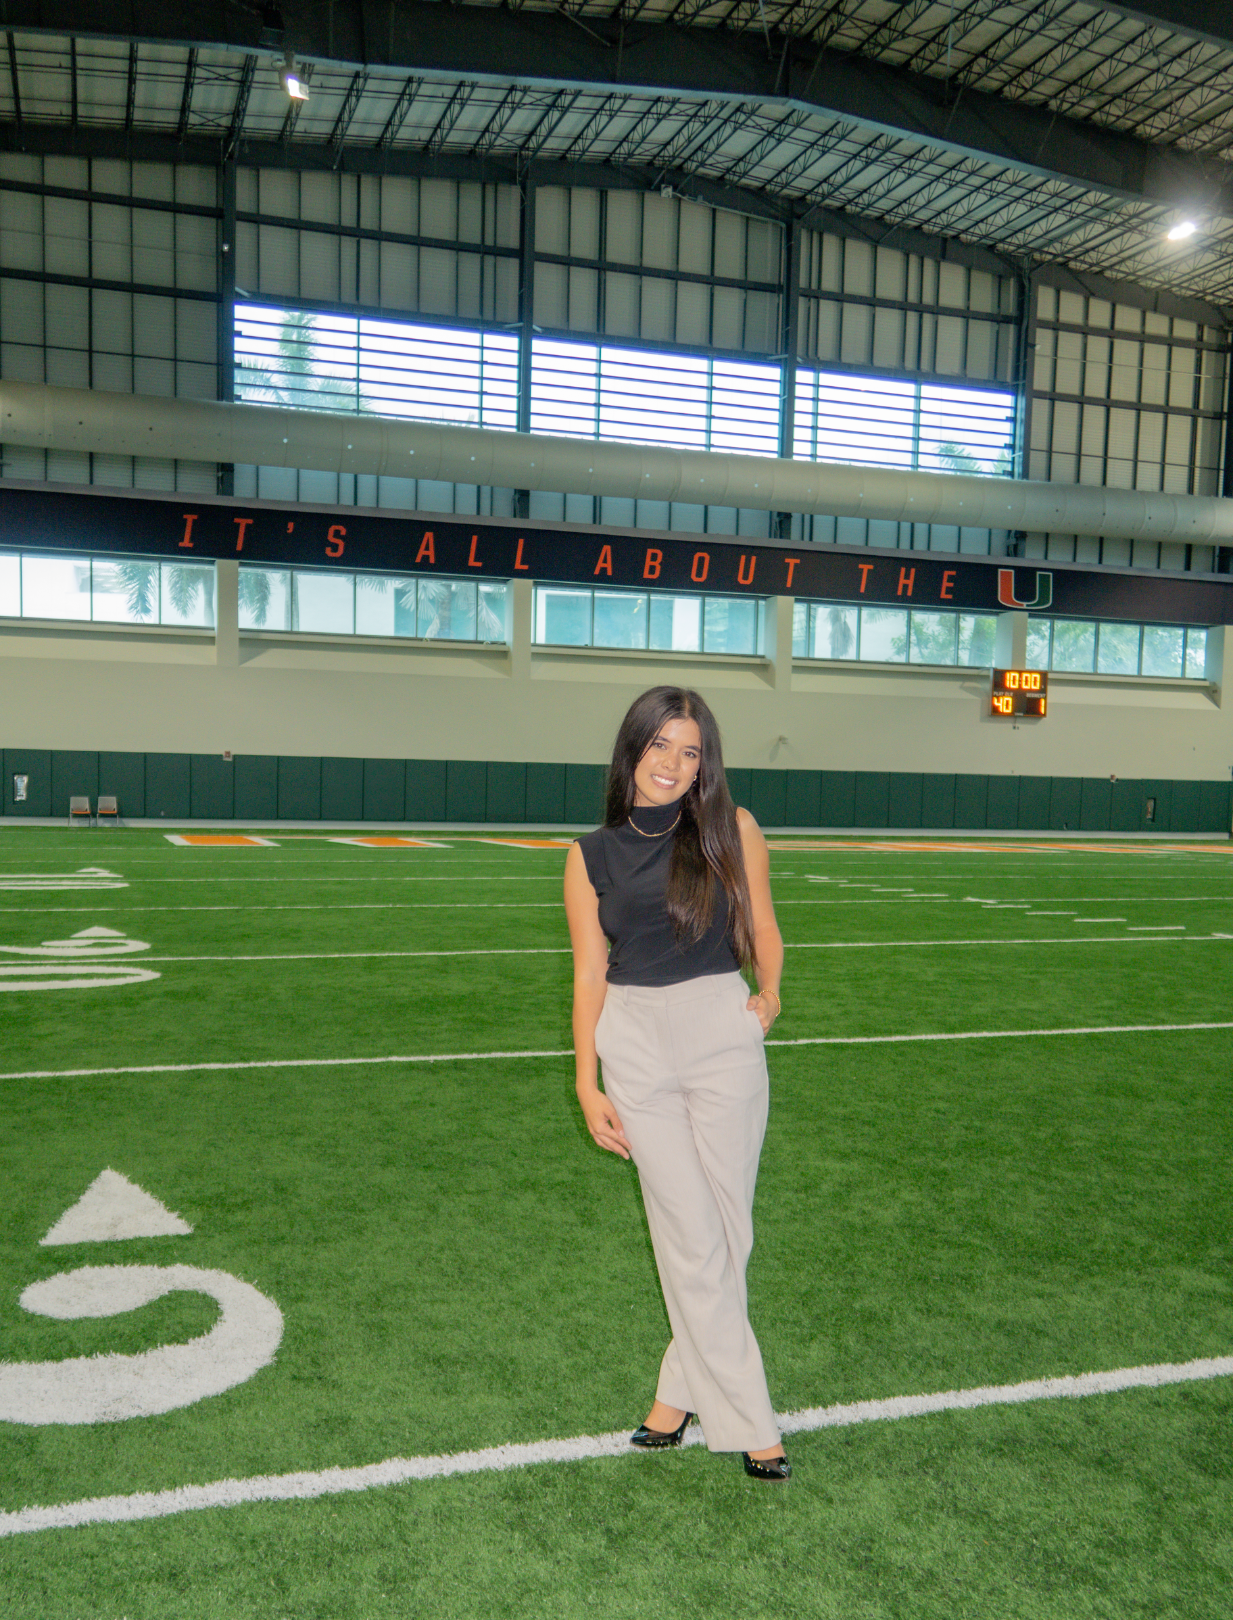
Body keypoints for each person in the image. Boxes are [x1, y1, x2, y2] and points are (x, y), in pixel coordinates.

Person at [563, 685, 790, 1481]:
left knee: (727, 1232)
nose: (672, 764)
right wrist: (586, 1081)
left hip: (720, 1030)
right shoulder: (587, 855)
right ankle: (753, 1422)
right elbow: (589, 973)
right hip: (633, 1043)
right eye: (660, 745)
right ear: (632, 751)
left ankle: (672, 1399)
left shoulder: (735, 830)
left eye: (689, 751)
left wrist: (767, 996)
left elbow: (762, 925)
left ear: (704, 766)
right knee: (691, 1237)